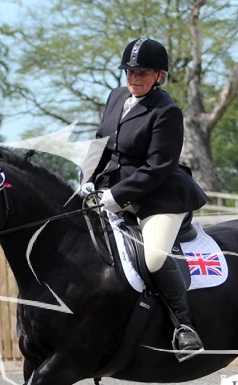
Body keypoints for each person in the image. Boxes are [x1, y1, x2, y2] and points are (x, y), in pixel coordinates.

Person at [83, 38, 208, 359]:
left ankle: (184, 326)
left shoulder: (166, 111)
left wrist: (115, 195)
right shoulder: (116, 97)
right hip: (116, 190)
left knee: (153, 257)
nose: (134, 78)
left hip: (161, 198)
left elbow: (158, 167)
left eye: (142, 72)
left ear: (159, 75)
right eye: (129, 71)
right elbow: (100, 144)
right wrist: (86, 180)